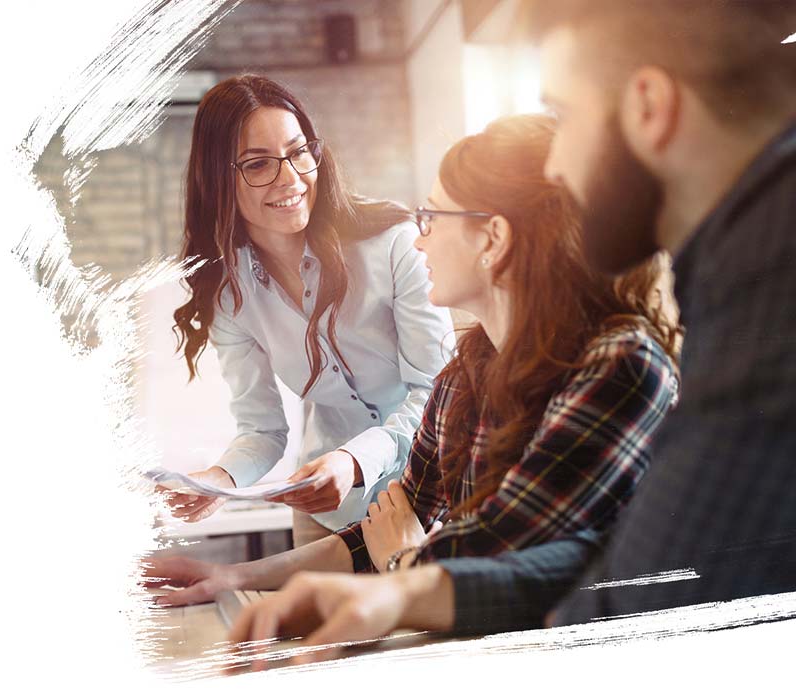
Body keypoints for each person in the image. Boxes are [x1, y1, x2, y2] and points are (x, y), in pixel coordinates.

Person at [222, 0, 796, 655]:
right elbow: (607, 560)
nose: (558, 170)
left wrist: (407, 571)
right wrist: (401, 586)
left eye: (567, 113)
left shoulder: (756, 292)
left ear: (648, 107)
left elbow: (630, 590)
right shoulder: (734, 278)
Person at [145, 114, 679, 609]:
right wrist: (229, 575)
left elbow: (496, 553)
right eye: (258, 163)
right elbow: (395, 527)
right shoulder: (465, 373)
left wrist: (403, 562)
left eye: (431, 217)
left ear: (493, 237)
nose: (419, 237)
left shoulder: (619, 363)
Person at [161, 75, 454, 546]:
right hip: (330, 514)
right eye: (258, 164)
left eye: (299, 152)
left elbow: (438, 394)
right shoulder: (230, 297)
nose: (291, 179)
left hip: (436, 497)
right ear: (217, 179)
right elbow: (262, 429)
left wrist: (355, 460)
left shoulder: (394, 244)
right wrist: (221, 478)